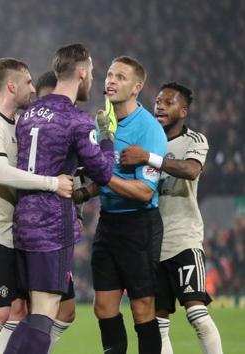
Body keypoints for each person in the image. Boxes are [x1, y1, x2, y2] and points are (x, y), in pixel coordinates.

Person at [0, 58, 74, 354]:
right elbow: (1, 172)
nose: (33, 89)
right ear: (11, 85)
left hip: (10, 233)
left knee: (18, 310)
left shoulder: (20, 125)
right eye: (28, 82)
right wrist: (52, 183)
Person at [4, 43, 116, 354]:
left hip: (23, 219)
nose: (91, 79)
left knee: (32, 312)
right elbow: (104, 173)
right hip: (53, 222)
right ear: (82, 72)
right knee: (44, 311)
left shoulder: (29, 115)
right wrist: (107, 138)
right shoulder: (76, 120)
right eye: (91, 72)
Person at [120, 82, 223, 353]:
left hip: (183, 238)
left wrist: (149, 158)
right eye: (158, 101)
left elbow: (190, 170)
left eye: (169, 102)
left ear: (184, 111)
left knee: (197, 314)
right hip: (151, 243)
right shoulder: (144, 141)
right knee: (158, 322)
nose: (160, 106)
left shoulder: (194, 140)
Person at [74, 56, 168, 354]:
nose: (111, 81)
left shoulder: (149, 129)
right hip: (109, 222)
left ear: (137, 87)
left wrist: (102, 176)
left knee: (142, 308)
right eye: (110, 75)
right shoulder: (103, 121)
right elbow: (107, 174)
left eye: (121, 77)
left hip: (139, 225)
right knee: (103, 307)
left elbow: (143, 191)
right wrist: (86, 192)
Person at [33, 70, 80, 352]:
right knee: (34, 311)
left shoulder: (72, 131)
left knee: (65, 311)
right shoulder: (26, 132)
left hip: (59, 231)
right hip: (38, 230)